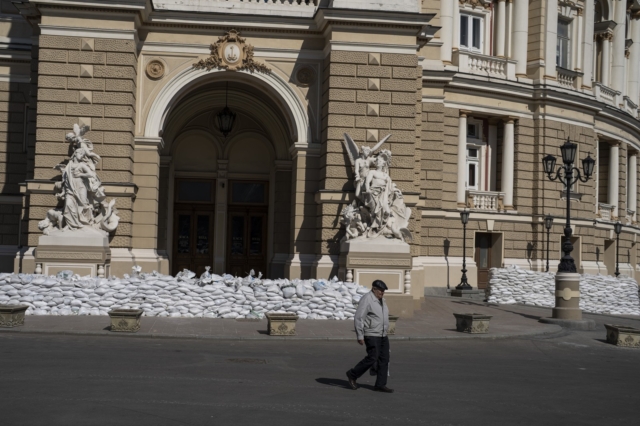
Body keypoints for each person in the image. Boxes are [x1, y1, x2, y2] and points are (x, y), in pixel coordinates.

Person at [346, 280, 393, 393]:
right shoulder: (367, 299)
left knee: (384, 359)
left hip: (382, 334)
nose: (382, 293)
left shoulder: (381, 300)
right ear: (374, 289)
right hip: (371, 334)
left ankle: (380, 384)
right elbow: (359, 317)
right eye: (380, 290)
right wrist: (360, 335)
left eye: (383, 291)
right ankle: (352, 374)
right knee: (373, 357)